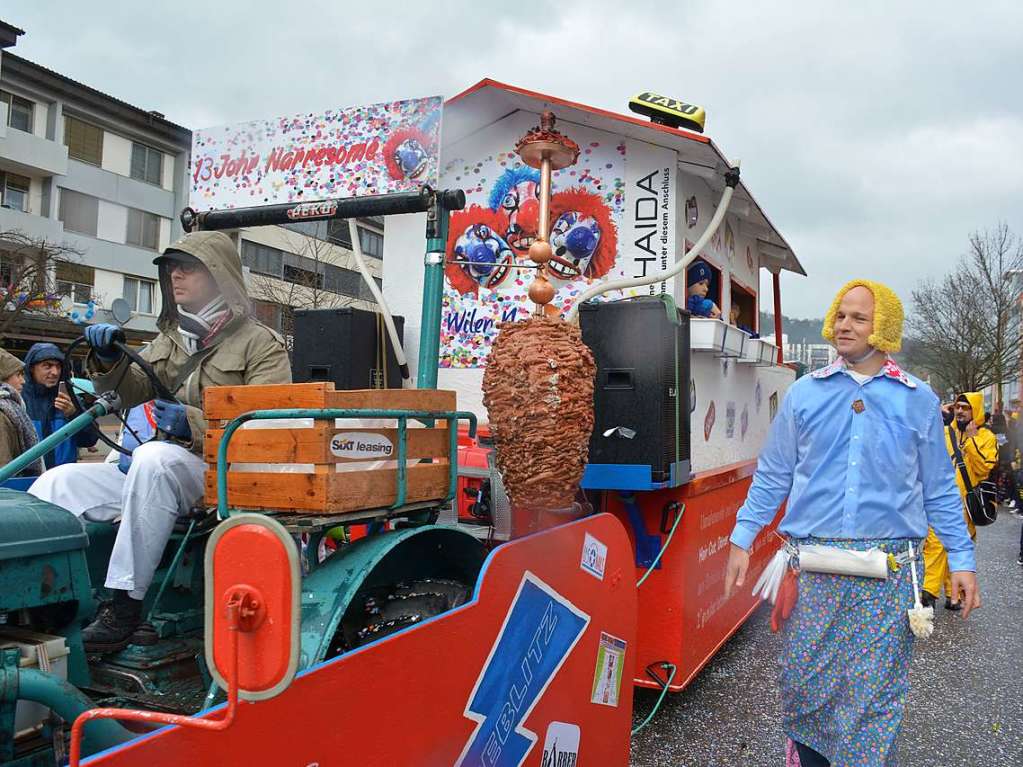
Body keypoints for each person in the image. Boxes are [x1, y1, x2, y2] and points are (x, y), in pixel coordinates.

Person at [724, 279, 978, 767]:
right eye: (840, 315)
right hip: (812, 570)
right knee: (804, 688)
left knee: (872, 700)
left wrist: (962, 560)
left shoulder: (918, 399)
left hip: (886, 576)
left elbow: (940, 488)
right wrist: (742, 536)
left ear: (882, 328)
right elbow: (774, 474)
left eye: (858, 318)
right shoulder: (804, 394)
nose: (844, 325)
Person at [29, 231, 292, 652]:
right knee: (61, 480)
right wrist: (109, 359)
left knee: (152, 458)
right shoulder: (173, 338)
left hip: (224, 474)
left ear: (217, 275)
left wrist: (194, 424)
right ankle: (43, 599)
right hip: (169, 469)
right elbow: (130, 389)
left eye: (187, 268)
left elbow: (269, 429)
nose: (175, 277)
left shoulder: (261, 344)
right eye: (171, 270)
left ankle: (124, 607)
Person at [920, 392, 996, 610]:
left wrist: (972, 441)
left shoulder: (986, 438)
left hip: (967, 504)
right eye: (958, 407)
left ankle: (954, 594)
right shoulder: (944, 433)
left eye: (966, 407)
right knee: (936, 543)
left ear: (976, 411)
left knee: (958, 546)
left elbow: (984, 468)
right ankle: (928, 592)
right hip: (941, 500)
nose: (960, 411)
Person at [21, 342, 99, 468]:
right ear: (31, 368)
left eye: (58, 366)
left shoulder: (71, 399)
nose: (55, 372)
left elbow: (90, 440)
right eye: (47, 366)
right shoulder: (19, 401)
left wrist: (74, 415)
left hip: (62, 478)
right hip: (27, 480)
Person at [0, 349, 44, 475]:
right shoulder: (3, 414)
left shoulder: (11, 409)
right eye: (18, 375)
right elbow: (4, 469)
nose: (23, 381)